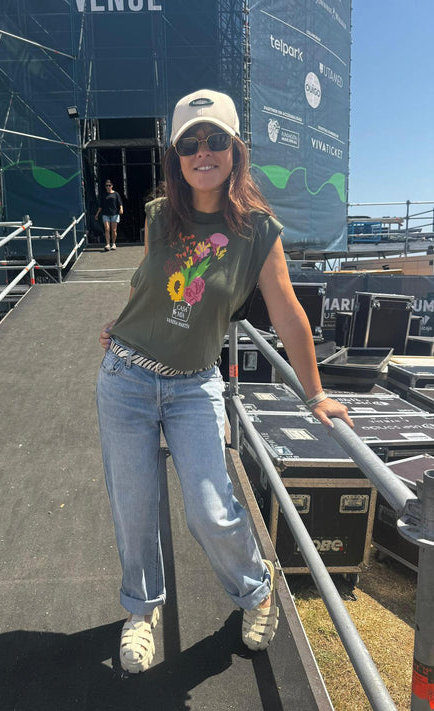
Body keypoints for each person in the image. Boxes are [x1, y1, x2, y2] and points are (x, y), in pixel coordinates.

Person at [96, 89, 353, 674]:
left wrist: (315, 393)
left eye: (215, 140)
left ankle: (256, 590)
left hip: (193, 386)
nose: (202, 152)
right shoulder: (158, 214)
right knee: (133, 508)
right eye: (189, 144)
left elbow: (287, 312)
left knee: (211, 510)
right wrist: (122, 319)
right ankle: (142, 609)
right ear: (176, 157)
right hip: (125, 378)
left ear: (236, 150)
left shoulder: (258, 231)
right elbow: (147, 283)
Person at [95, 180, 124, 251]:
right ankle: (108, 244)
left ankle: (113, 243)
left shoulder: (116, 194)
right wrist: (97, 214)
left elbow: (120, 203)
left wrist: (121, 209)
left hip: (114, 214)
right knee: (107, 229)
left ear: (112, 186)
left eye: (109, 185)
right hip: (105, 214)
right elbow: (101, 206)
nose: (108, 187)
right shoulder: (104, 195)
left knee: (114, 230)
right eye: (106, 186)